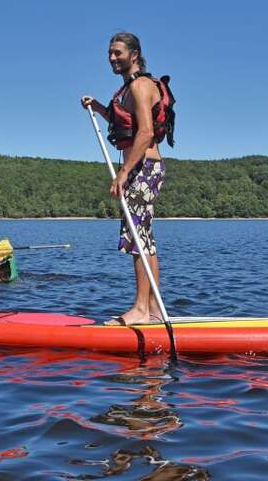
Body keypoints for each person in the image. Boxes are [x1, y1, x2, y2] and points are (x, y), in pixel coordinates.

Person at [81, 32, 175, 326]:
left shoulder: (140, 85)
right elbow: (126, 122)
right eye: (109, 53)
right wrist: (98, 107)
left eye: (118, 53)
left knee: (138, 238)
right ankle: (154, 310)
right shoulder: (128, 89)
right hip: (143, 167)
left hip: (143, 168)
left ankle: (141, 310)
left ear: (134, 54)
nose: (112, 58)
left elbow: (145, 132)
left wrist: (123, 173)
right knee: (144, 239)